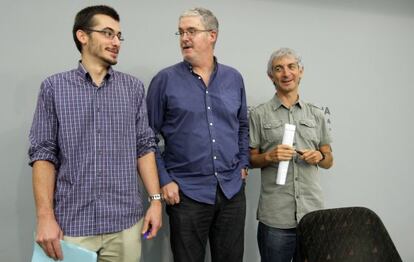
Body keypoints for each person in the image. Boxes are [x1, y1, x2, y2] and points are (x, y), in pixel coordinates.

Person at [28, 5, 162, 262]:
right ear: (83, 36)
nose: (116, 42)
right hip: (72, 224)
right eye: (108, 33)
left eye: (118, 36)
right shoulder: (53, 88)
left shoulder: (132, 88)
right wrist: (45, 217)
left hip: (125, 223)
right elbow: (43, 154)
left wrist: (155, 201)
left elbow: (144, 147)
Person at [146, 7, 249, 262]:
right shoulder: (164, 80)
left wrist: (244, 162)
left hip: (231, 192)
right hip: (187, 194)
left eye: (191, 31)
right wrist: (164, 179)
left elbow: (243, 125)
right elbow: (146, 136)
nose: (184, 38)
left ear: (212, 35)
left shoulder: (234, 79)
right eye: (181, 32)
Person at [249, 48, 334, 262]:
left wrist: (319, 157)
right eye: (279, 69)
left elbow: (329, 159)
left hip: (312, 215)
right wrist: (269, 157)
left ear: (301, 71)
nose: (286, 73)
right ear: (271, 76)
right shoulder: (259, 115)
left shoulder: (316, 113)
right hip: (276, 217)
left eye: (291, 67)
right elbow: (249, 159)